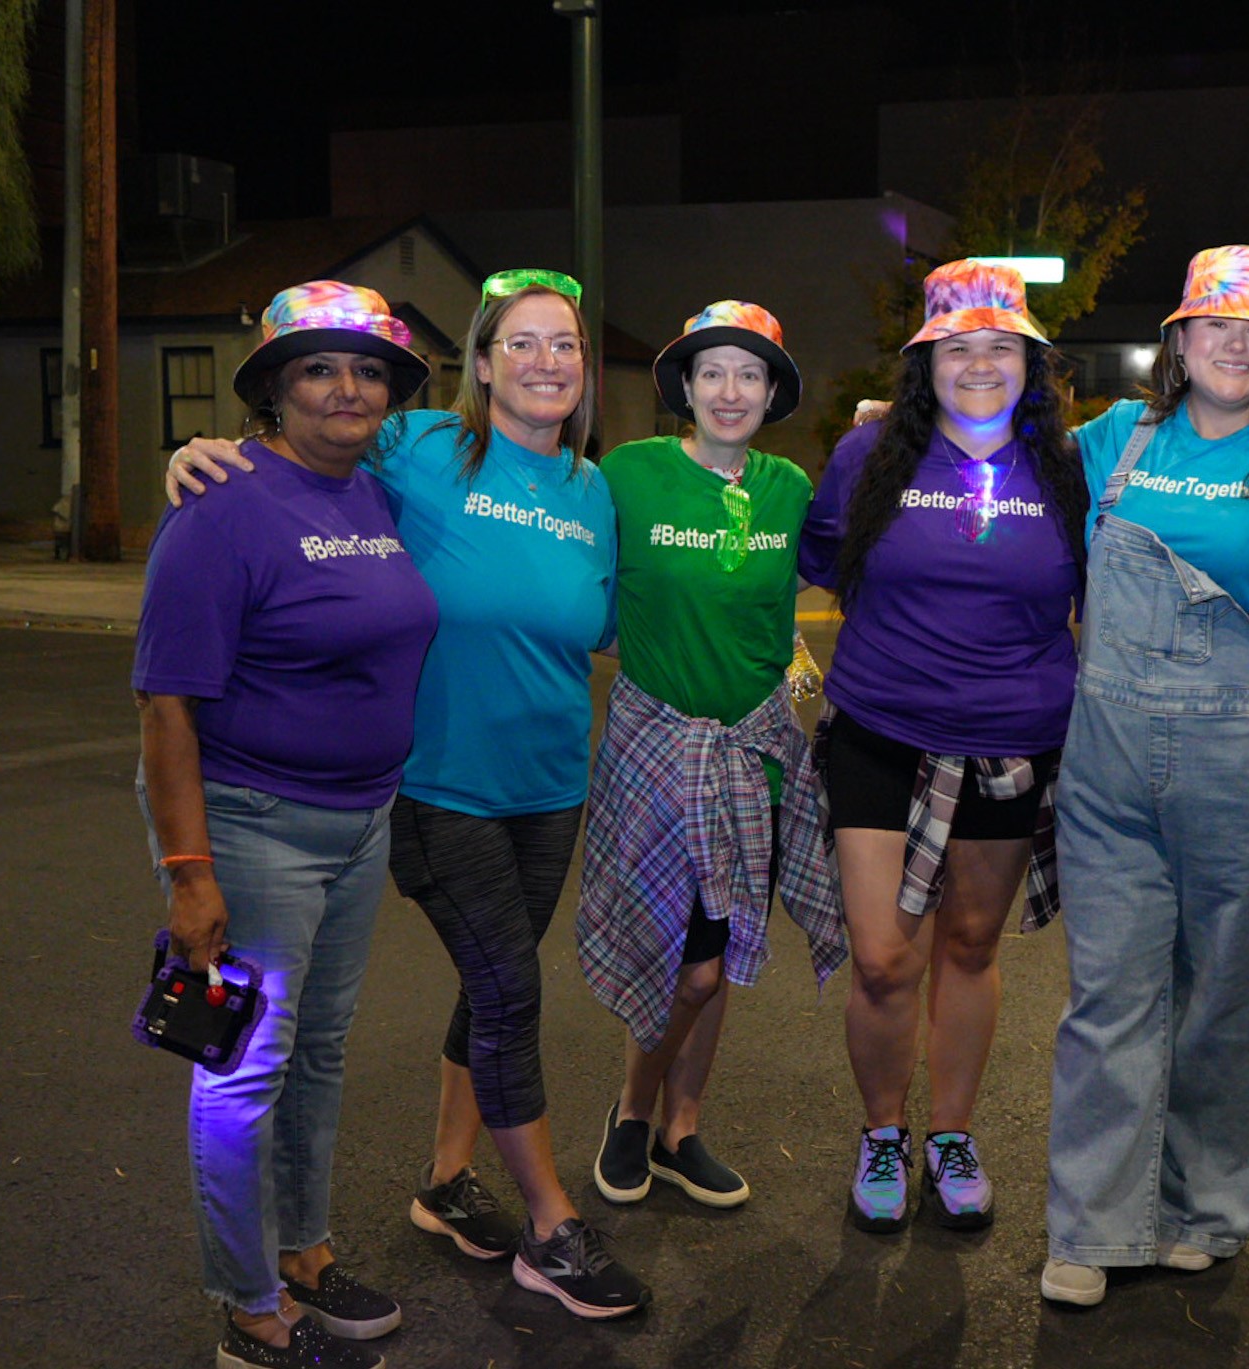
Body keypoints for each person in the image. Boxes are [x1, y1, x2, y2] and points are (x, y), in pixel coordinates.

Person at [166, 269, 650, 1323]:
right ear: (480, 365)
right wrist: (194, 452)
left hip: (549, 781)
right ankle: (549, 1227)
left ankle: (442, 1183)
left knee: (490, 987)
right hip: (437, 785)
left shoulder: (590, 490)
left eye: (563, 345)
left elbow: (599, 627)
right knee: (510, 989)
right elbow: (298, 451)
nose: (545, 363)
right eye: (519, 344)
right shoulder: (420, 445)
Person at [137, 281, 440, 1369]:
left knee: (316, 1055)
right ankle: (249, 1309)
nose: (347, 388)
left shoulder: (371, 494)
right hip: (253, 824)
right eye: (317, 367)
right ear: (273, 388)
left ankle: (304, 1253)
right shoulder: (220, 505)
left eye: (366, 370)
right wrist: (189, 874)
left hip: (361, 820)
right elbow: (166, 705)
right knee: (241, 1069)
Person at [1040, 245, 1249, 1308]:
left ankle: (1205, 1205)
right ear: (1178, 339)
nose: (1235, 343)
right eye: (1216, 324)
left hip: (1245, 760)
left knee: (1227, 998)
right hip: (1107, 759)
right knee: (1109, 995)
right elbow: (1011, 510)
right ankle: (1091, 1224)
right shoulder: (1115, 440)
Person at [799, 260, 1087, 1234]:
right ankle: (882, 1131)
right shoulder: (869, 454)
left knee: (968, 945)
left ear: (1029, 361)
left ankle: (949, 1135)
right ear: (926, 362)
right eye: (956, 346)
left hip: (1012, 742)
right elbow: (812, 554)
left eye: (999, 345)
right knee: (882, 957)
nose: (978, 362)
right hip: (880, 730)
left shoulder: (1066, 466)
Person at [581, 302, 848, 1216]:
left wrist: (887, 431)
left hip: (757, 756)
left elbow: (862, 534)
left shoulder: (790, 488)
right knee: (681, 956)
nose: (730, 391)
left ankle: (679, 1126)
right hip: (658, 751)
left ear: (772, 392)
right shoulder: (627, 475)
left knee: (720, 946)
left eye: (750, 374)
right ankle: (631, 1110)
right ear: (684, 389)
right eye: (712, 372)